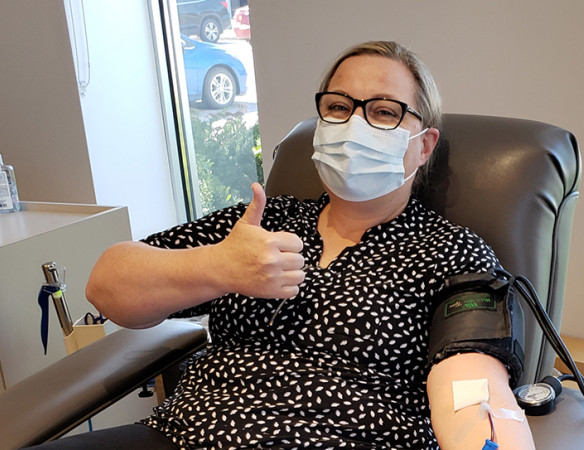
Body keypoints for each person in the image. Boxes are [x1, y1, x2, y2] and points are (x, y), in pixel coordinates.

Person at [43, 41, 535, 449]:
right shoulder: (265, 219)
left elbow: (473, 391)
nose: (354, 125)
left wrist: (488, 434)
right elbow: (105, 284)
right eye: (338, 107)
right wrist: (219, 266)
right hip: (182, 432)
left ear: (423, 145)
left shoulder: (449, 250)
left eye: (384, 112)